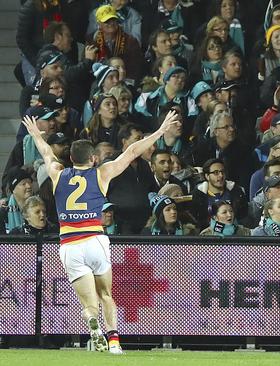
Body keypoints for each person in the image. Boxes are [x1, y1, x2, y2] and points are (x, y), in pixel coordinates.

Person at [22, 109, 180, 354]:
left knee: (88, 303)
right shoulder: (101, 174)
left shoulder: (58, 173)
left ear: (71, 158)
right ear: (93, 158)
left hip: (70, 244)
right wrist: (160, 131)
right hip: (95, 240)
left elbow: (46, 151)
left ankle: (92, 325)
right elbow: (132, 152)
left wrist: (35, 134)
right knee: (106, 294)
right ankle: (114, 342)